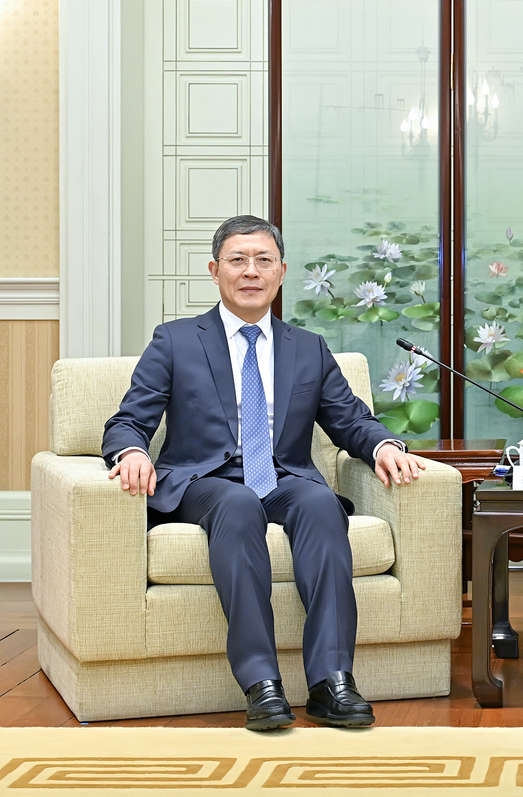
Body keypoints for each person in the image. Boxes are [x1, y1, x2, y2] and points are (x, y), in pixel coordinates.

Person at [103, 215, 430, 732]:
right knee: (236, 504)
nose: (250, 271)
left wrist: (384, 445)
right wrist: (131, 453)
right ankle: (262, 683)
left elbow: (350, 420)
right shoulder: (176, 340)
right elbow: (129, 420)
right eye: (237, 260)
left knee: (321, 503)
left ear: (281, 272)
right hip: (204, 481)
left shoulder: (308, 347)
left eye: (263, 260)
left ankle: (332, 682)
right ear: (215, 270)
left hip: (282, 477)